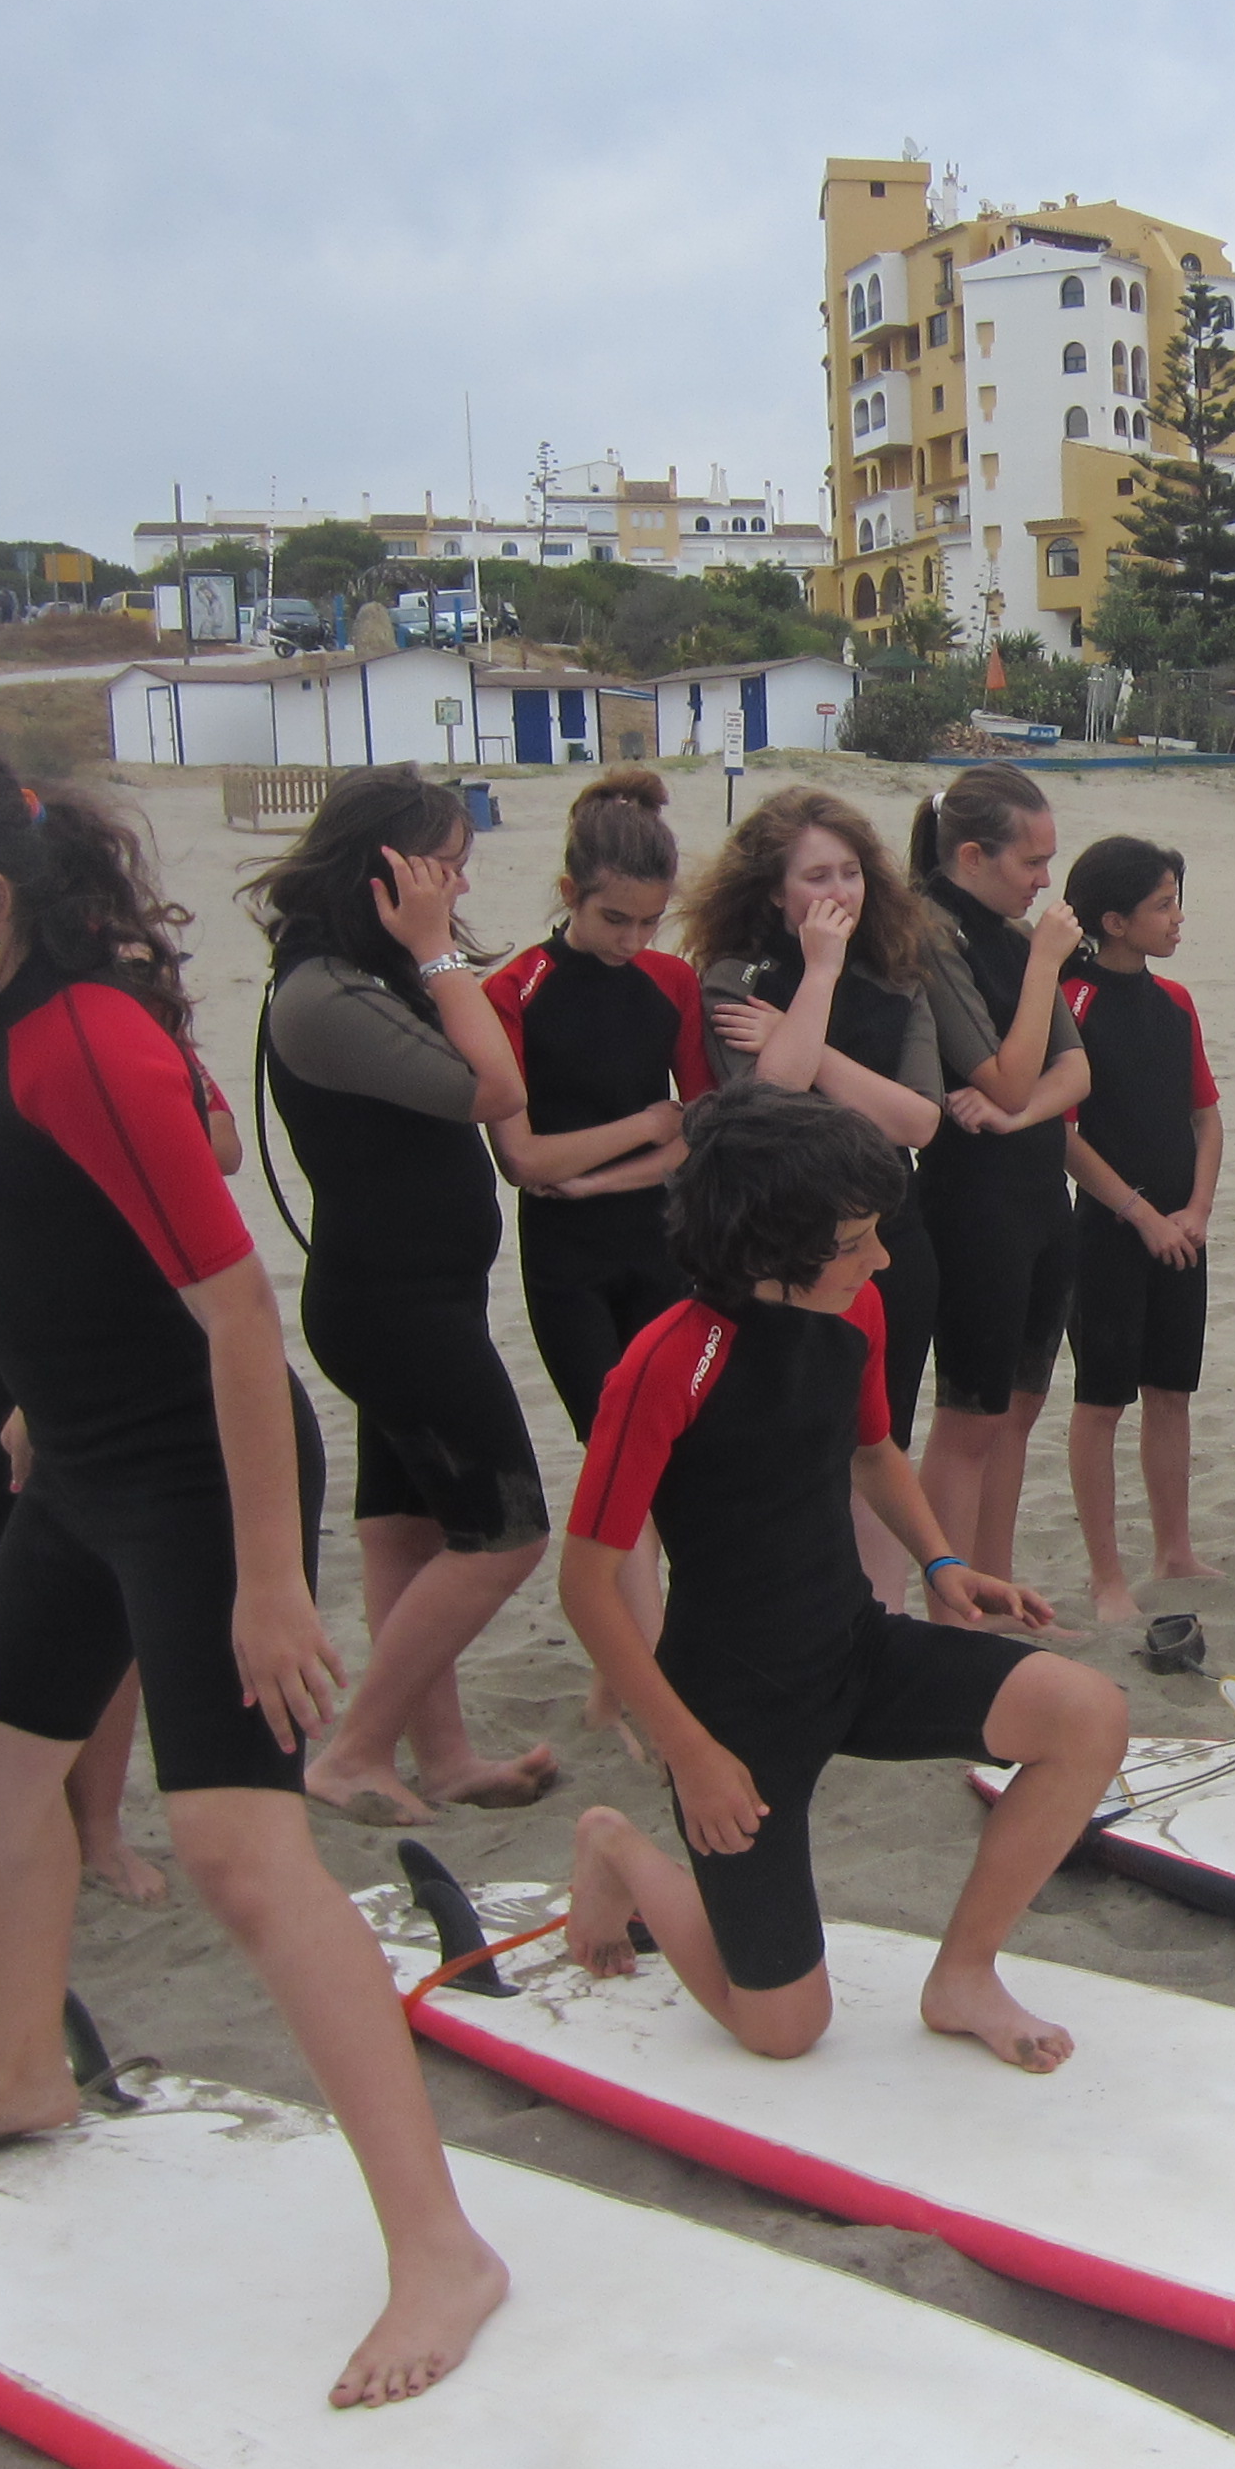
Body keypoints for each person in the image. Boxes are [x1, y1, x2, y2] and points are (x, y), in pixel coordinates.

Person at [0, 730, 504, 2406]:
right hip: (76, 1464)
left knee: (243, 1860)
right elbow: (35, 1240)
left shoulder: (89, 1042)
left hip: (194, 1476)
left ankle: (441, 2249)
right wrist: (34, 1396)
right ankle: (19, 2069)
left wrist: (268, 1584)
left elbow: (236, 1315)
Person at [557, 1083, 1129, 2070]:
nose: (881, 1260)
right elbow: (586, 1585)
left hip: (851, 1648)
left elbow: (873, 1452)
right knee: (783, 2030)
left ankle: (964, 1976)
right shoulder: (666, 1364)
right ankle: (615, 1846)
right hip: (733, 1709)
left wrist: (943, 1563)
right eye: (856, 1240)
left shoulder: (854, 1309)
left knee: (1088, 1715)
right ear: (770, 1246)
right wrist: (689, 1752)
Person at [251, 768, 555, 1826]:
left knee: (407, 1538)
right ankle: (354, 1753)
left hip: (419, 1296)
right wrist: (434, 951)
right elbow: (495, 1089)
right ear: (386, 869)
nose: (460, 883)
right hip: (391, 1309)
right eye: (445, 865)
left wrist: (429, 955)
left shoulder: (357, 977)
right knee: (507, 1535)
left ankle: (444, 1757)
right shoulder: (323, 994)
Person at [0, 1041, 243, 1909]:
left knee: (110, 1592)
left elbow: (222, 1146)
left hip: (112, 1320)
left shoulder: (122, 1037)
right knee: (20, 1584)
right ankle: (42, 1827)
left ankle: (97, 1831)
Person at [685, 785, 949, 1596]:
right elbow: (769, 1098)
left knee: (882, 1440)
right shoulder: (737, 977)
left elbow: (917, 1119)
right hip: (782, 1248)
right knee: (796, 1444)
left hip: (887, 1237)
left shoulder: (897, 977)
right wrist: (820, 972)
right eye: (816, 877)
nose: (839, 893)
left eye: (851, 873)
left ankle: (881, 1616)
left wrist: (812, 1044)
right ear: (775, 891)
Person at [483, 770, 716, 1680]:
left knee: (675, 1454)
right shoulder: (516, 989)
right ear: (570, 892)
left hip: (660, 1243)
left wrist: (604, 1173)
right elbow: (523, 1159)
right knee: (612, 1456)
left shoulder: (670, 981)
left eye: (650, 921)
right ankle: (639, 1674)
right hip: (565, 1263)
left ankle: (647, 1669)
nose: (633, 940)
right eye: (615, 919)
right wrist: (645, 1125)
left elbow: (698, 1131)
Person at [908, 764, 1094, 1595]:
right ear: (972, 856)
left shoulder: (1015, 941)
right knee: (969, 1418)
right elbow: (1009, 1074)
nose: (1045, 882)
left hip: (1036, 1194)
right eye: (1033, 862)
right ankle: (954, 1607)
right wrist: (1046, 963)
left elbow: (1073, 1073)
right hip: (971, 1203)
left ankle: (998, 1589)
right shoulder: (931, 934)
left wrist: (1016, 1118)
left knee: (1018, 1413)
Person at [1055, 835, 1223, 1625]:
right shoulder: (1069, 1000)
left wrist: (1196, 1210)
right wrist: (1141, 1214)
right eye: (1163, 905)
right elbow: (1062, 1133)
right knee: (1101, 1400)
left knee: (1171, 1391)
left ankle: (1174, 1549)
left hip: (1183, 1230)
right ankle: (1105, 1575)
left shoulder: (1176, 1002)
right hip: (1108, 1229)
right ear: (1114, 921)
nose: (1178, 918)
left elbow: (1205, 1117)